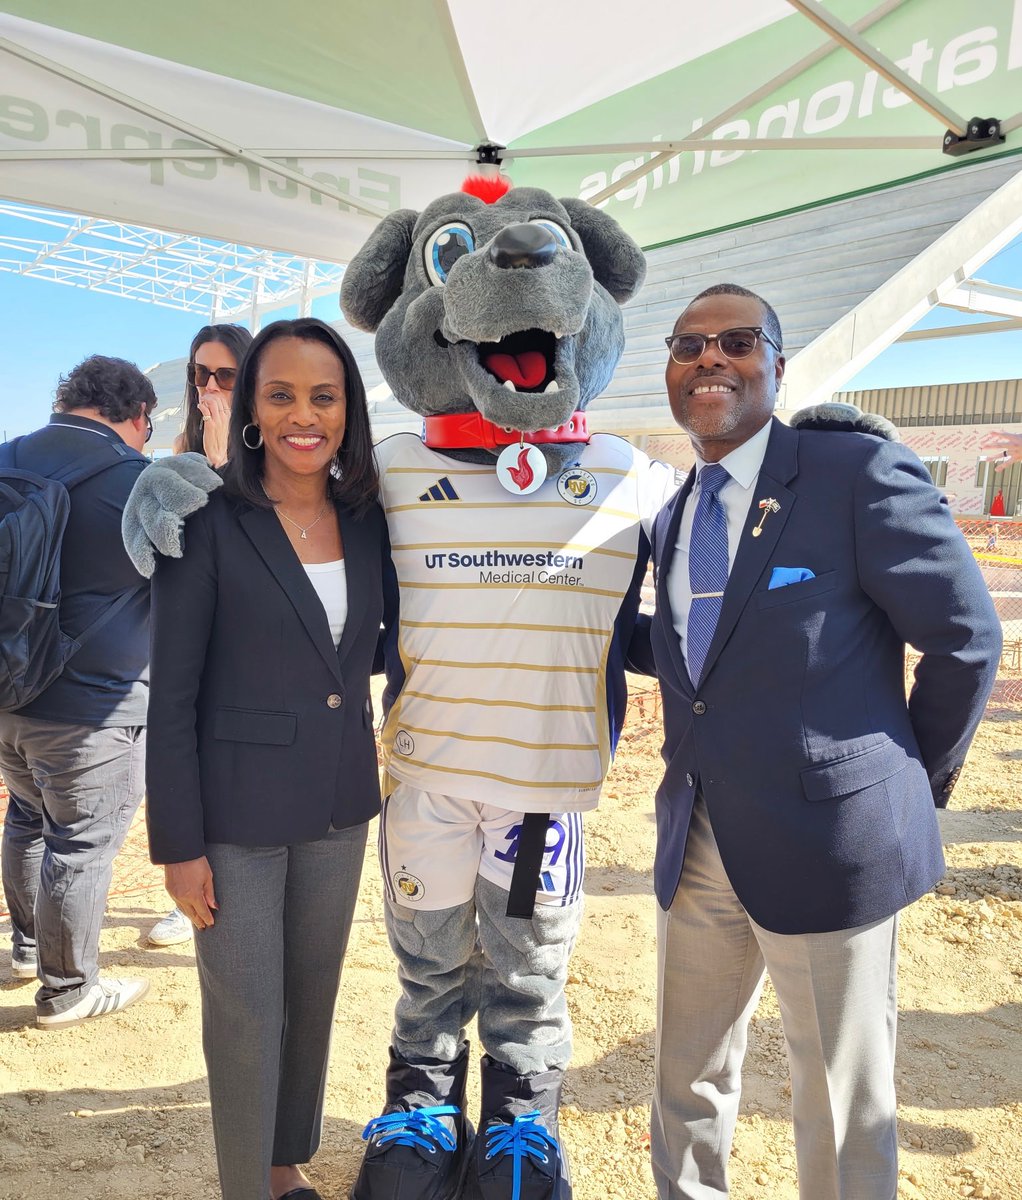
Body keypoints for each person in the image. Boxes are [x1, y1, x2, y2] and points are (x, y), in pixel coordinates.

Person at [635, 283, 1002, 1199]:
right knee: (686, 1081)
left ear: (778, 366)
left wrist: (909, 781)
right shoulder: (677, 513)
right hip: (702, 840)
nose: (710, 359)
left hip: (830, 846)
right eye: (688, 346)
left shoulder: (850, 475)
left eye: (736, 341)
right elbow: (696, 658)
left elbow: (966, 639)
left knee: (839, 1102)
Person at [145, 317, 389, 1200]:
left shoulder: (369, 519)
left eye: (323, 396)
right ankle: (247, 1184)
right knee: (246, 1011)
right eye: (280, 393)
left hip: (339, 804)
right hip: (234, 816)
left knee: (311, 997)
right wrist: (177, 844)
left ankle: (286, 1163)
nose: (303, 415)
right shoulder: (203, 517)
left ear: (347, 410)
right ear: (250, 407)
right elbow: (170, 695)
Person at [0, 356, 155, 1025]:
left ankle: (28, 949)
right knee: (82, 842)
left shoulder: (7, 458)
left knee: (27, 820)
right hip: (94, 710)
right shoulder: (137, 481)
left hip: (7, 695)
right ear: (139, 416)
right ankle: (69, 990)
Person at [149, 321, 252, 950]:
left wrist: (226, 461)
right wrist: (206, 460)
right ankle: (189, 884)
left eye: (225, 374)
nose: (209, 386)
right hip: (201, 638)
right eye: (200, 373)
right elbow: (172, 544)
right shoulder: (184, 447)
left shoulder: (279, 444)